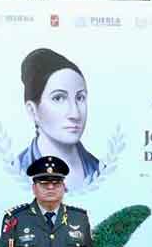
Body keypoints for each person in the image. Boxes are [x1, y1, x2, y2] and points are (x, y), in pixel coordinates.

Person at [13, 48, 101, 191]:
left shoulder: (99, 169)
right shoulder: (19, 170)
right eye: (58, 98)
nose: (75, 113)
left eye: (80, 98)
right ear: (32, 110)